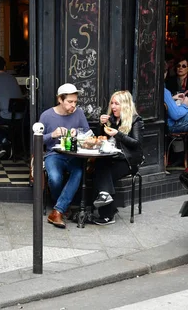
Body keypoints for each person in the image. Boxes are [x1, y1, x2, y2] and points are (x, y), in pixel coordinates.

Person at [39, 83, 90, 229]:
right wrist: (52, 134)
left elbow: (88, 134)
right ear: (60, 100)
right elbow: (37, 139)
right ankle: (62, 206)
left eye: (75, 101)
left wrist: (78, 134)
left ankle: (58, 210)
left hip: (74, 154)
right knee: (55, 178)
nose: (73, 105)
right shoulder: (47, 115)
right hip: (53, 154)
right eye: (70, 101)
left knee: (78, 172)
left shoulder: (79, 113)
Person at [93, 91, 143, 225]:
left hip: (128, 161)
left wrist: (118, 134)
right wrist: (101, 124)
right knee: (99, 164)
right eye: (112, 103)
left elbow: (136, 143)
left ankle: (107, 214)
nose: (113, 106)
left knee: (104, 173)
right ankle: (108, 207)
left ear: (125, 105)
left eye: (117, 103)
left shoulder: (136, 120)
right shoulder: (112, 119)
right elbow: (101, 138)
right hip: (112, 157)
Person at [164, 66, 188, 133]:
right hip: (172, 125)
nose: (180, 68)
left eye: (184, 66)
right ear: (165, 73)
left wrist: (172, 98)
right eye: (178, 66)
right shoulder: (164, 90)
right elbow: (176, 115)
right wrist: (185, 104)